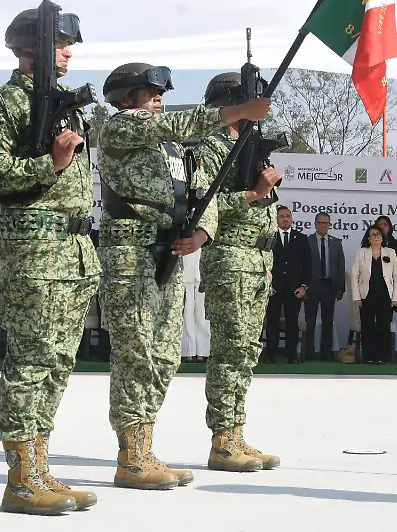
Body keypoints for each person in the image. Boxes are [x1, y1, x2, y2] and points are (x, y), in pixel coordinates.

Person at [97, 63, 271, 490]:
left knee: (162, 356)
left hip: (166, 252)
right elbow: (184, 123)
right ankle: (131, 456)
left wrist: (202, 232)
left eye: (160, 93)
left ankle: (143, 450)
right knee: (137, 354)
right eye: (147, 92)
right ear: (125, 99)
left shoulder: (170, 149)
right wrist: (236, 112)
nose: (157, 98)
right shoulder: (121, 129)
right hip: (131, 254)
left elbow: (201, 194)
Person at [0, 7, 97, 515]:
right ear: (32, 47)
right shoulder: (4, 104)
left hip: (73, 249)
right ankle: (21, 477)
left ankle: (40, 466)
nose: (70, 52)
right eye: (62, 43)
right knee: (29, 361)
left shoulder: (67, 106)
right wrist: (50, 163)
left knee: (57, 363)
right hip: (35, 243)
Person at [197, 72, 283, 472]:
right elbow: (205, 206)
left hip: (256, 263)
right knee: (230, 353)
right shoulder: (214, 147)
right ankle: (222, 440)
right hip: (230, 259)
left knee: (247, 353)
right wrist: (253, 194)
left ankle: (236, 433)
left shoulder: (250, 146)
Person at [349, 225, 397, 363]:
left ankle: (383, 357)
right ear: (368, 238)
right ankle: (369, 357)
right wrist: (356, 297)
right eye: (373, 235)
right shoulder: (362, 253)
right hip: (367, 295)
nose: (376, 237)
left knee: (384, 327)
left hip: (385, 295)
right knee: (368, 327)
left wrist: (396, 298)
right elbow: (354, 275)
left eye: (378, 234)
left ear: (382, 237)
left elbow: (396, 276)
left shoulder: (390, 252)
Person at [263, 205, 308, 364]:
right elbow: (262, 261)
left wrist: (304, 286)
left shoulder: (301, 238)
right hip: (273, 288)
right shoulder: (269, 236)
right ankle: (270, 355)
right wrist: (267, 284)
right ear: (276, 219)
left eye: (288, 216)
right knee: (272, 323)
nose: (285, 218)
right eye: (282, 216)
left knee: (292, 323)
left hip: (294, 289)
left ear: (292, 219)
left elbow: (308, 265)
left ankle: (292, 355)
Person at [304, 212, 345, 359]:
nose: (323, 225)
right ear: (315, 224)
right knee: (310, 321)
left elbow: (340, 266)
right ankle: (308, 352)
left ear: (329, 225)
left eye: (326, 223)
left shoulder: (336, 243)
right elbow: (303, 266)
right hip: (312, 285)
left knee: (328, 321)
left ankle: (326, 353)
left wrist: (341, 288)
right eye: (320, 223)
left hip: (329, 286)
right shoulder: (307, 241)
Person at [374, 215, 397, 308]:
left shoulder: (395, 243)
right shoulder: (369, 241)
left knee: (387, 314)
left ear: (389, 227)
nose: (382, 226)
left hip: (391, 284)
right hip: (373, 284)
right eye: (380, 224)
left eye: (385, 224)